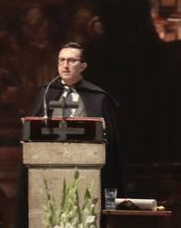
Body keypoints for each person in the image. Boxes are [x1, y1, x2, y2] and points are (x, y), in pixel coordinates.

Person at [34, 42, 123, 193]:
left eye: (71, 60)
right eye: (61, 60)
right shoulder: (47, 93)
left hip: (86, 165)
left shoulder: (97, 97)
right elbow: (33, 131)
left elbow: (109, 138)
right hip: (50, 164)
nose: (65, 65)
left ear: (82, 66)